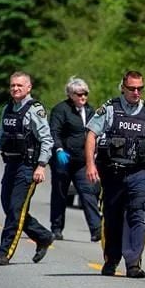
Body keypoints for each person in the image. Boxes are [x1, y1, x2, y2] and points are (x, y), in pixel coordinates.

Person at [85, 71, 145, 278]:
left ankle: (133, 263)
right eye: (132, 88)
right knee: (113, 217)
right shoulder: (110, 109)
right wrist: (90, 165)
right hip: (113, 173)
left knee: (137, 215)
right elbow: (91, 135)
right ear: (123, 88)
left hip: (139, 173)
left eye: (139, 88)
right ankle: (112, 259)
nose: (136, 92)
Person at [0, 71, 54, 265]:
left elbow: (47, 140)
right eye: (13, 85)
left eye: (20, 85)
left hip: (28, 167)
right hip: (11, 165)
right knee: (9, 206)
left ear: (29, 88)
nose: (15, 88)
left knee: (15, 209)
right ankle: (44, 236)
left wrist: (41, 166)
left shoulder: (34, 109)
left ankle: (4, 253)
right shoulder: (8, 109)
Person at [49, 76, 101, 242]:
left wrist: (93, 155)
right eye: (79, 94)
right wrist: (58, 149)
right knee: (60, 193)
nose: (83, 97)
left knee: (88, 192)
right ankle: (56, 228)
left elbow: (94, 133)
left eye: (85, 94)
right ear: (70, 94)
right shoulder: (60, 110)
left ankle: (96, 229)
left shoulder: (90, 111)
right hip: (63, 158)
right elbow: (54, 131)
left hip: (81, 161)